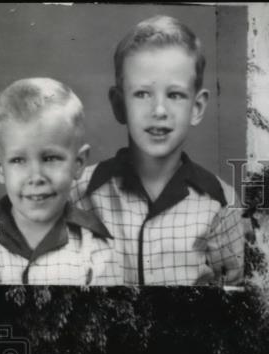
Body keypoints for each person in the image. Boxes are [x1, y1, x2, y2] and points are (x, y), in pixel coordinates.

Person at [72, 15, 245, 286]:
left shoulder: (221, 203)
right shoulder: (79, 192)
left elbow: (234, 303)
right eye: (142, 94)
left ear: (197, 108)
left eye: (175, 95)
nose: (159, 111)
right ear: (119, 105)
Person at [0, 78, 120, 286]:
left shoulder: (97, 253)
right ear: (0, 169)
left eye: (50, 158)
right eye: (18, 160)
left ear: (78, 163)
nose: (35, 177)